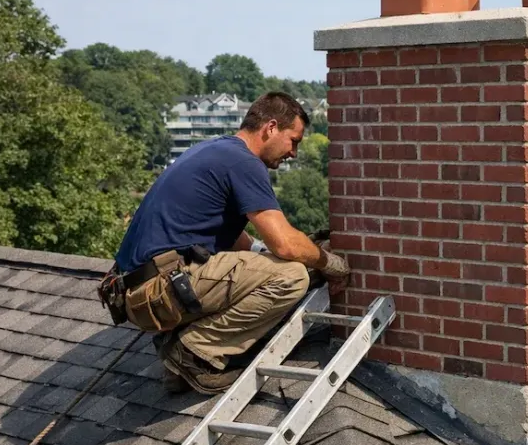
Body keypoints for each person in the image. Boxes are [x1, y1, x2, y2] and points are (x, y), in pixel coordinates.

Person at [108, 92, 349, 395]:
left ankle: (183, 356)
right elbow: (285, 244)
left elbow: (230, 236)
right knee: (292, 276)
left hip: (138, 292)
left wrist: (265, 253)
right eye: (294, 141)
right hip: (159, 292)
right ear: (271, 127)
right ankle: (193, 352)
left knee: (275, 264)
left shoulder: (216, 150)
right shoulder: (244, 162)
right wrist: (329, 263)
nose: (294, 153)